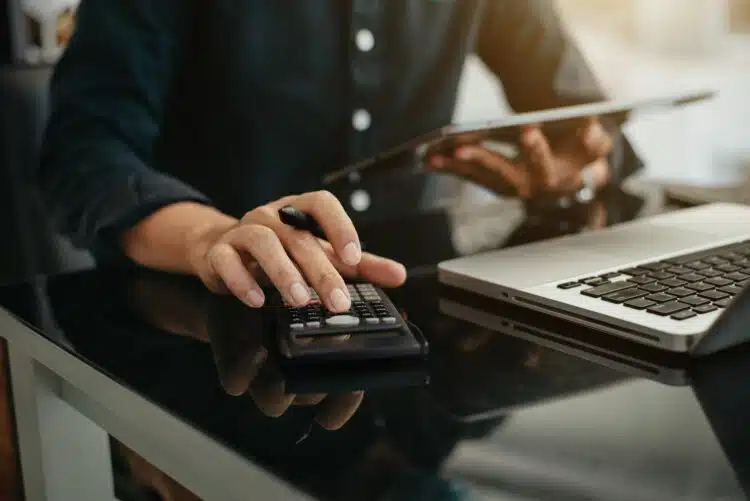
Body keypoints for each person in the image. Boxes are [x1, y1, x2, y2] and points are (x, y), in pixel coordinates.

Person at [39, 0, 636, 312]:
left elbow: (586, 124)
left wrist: (573, 170)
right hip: (206, 332)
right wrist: (210, 237)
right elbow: (85, 151)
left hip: (417, 329)